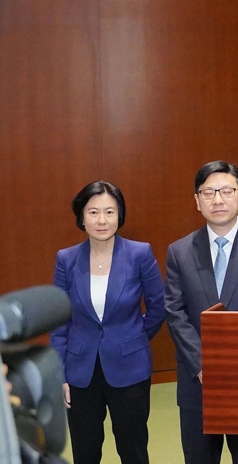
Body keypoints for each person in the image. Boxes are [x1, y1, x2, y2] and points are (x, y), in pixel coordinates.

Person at [164, 161, 238, 464]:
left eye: (226, 191)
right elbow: (176, 313)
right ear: (197, 200)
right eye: (208, 193)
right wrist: (203, 365)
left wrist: (232, 366)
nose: (217, 199)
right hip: (197, 382)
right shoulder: (179, 251)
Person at [51, 181, 165, 464]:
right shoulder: (66, 259)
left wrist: (134, 337)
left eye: (109, 212)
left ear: (119, 215)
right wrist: (60, 373)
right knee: (85, 451)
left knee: (133, 450)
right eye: (93, 212)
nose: (101, 220)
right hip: (80, 372)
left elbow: (158, 305)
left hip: (130, 368)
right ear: (81, 216)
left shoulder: (139, 253)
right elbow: (59, 320)